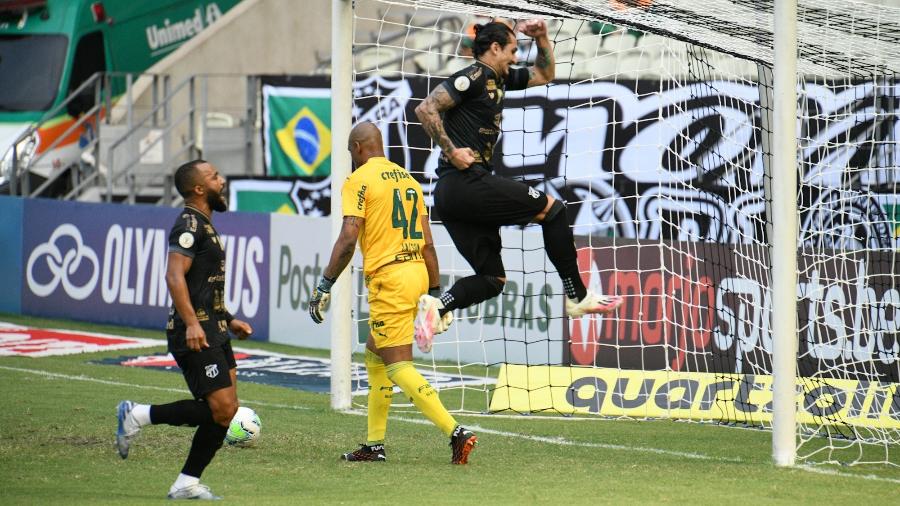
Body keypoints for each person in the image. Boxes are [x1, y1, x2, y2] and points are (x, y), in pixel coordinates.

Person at [413, 19, 623, 345]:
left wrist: (541, 37)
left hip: (451, 196)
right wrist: (452, 151)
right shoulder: (475, 75)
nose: (515, 57)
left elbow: (545, 74)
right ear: (494, 48)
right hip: (465, 182)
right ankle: (577, 295)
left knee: (493, 279)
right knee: (552, 210)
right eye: (512, 50)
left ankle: (439, 306)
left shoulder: (501, 78)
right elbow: (426, 109)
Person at [308, 121, 476, 465]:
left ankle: (456, 432)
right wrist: (436, 295)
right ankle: (374, 445)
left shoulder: (359, 180)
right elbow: (428, 242)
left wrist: (325, 283)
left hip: (390, 278)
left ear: (357, 149)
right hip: (415, 270)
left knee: (398, 365)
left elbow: (348, 237)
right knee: (374, 354)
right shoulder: (409, 181)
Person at [115, 159, 253, 500]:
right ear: (199, 188)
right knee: (221, 408)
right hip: (193, 330)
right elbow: (174, 276)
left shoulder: (205, 224)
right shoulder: (188, 224)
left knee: (227, 411)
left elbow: (201, 284)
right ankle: (137, 415)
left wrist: (229, 317)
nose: (222, 181)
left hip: (215, 328)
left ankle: (186, 482)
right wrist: (192, 323)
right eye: (215, 176)